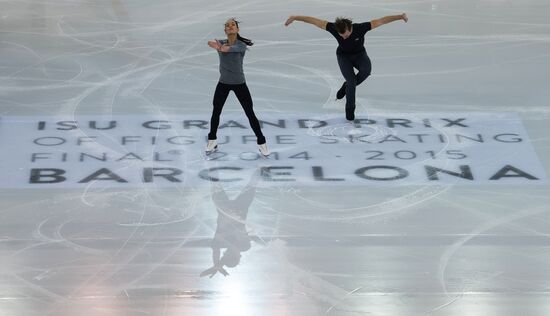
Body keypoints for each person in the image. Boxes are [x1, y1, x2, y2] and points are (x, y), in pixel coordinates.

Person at [285, 13, 408, 121]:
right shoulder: (333, 28)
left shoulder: (361, 28)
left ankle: (346, 87)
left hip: (360, 55)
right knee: (352, 81)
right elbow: (315, 21)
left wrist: (400, 16)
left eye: (346, 35)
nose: (343, 37)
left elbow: (382, 21)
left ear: (350, 28)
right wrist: (295, 17)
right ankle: (349, 110)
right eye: (341, 35)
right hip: (344, 57)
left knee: (366, 71)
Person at [206, 18, 270, 156]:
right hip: (223, 83)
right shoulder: (221, 42)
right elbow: (210, 43)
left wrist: (220, 47)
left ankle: (262, 142)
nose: (230, 27)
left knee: (250, 113)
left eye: (232, 25)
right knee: (216, 111)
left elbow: (227, 49)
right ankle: (212, 139)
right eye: (227, 25)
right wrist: (217, 46)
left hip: (239, 84)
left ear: (237, 29)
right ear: (225, 30)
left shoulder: (241, 46)